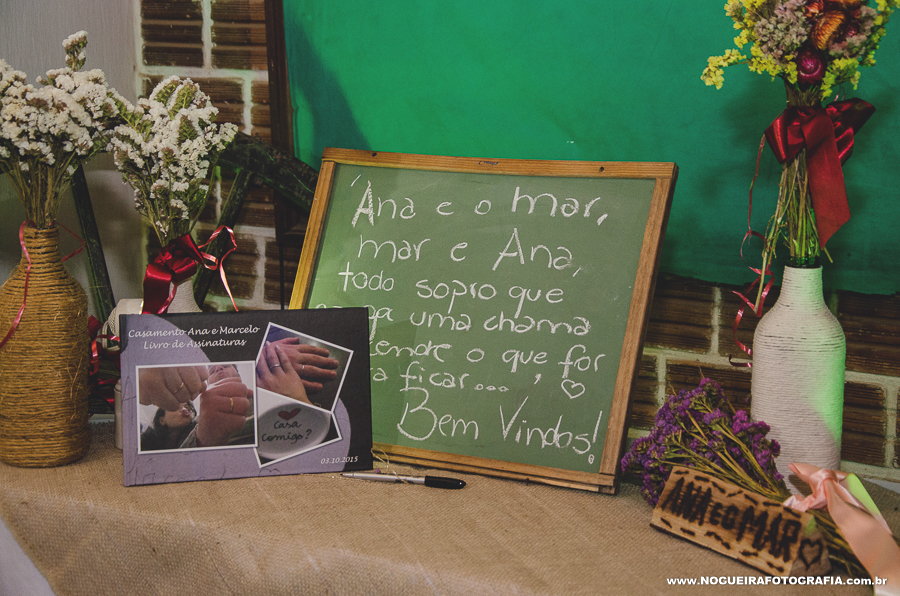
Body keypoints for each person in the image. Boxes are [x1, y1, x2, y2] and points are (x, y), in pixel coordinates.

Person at [138, 363, 253, 450]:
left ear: (238, 374)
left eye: (226, 366)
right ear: (208, 383)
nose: (218, 368)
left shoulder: (259, 398)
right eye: (212, 371)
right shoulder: (195, 425)